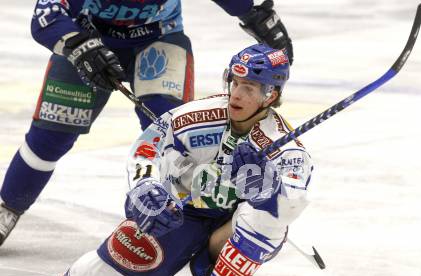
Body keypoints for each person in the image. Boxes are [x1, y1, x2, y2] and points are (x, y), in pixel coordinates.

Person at [19, 43, 312, 276]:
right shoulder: (197, 116)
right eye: (234, 83)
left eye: (249, 88)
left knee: (268, 219)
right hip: (178, 213)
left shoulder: (285, 147)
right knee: (116, 260)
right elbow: (147, 148)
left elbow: (292, 201)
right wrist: (145, 187)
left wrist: (267, 191)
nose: (236, 94)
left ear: (271, 95)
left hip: (228, 226)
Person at [0, 0, 294, 246]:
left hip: (160, 38)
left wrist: (256, 13)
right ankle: (8, 206)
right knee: (50, 137)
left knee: (175, 137)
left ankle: (192, 220)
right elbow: (45, 16)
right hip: (87, 36)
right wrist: (80, 46)